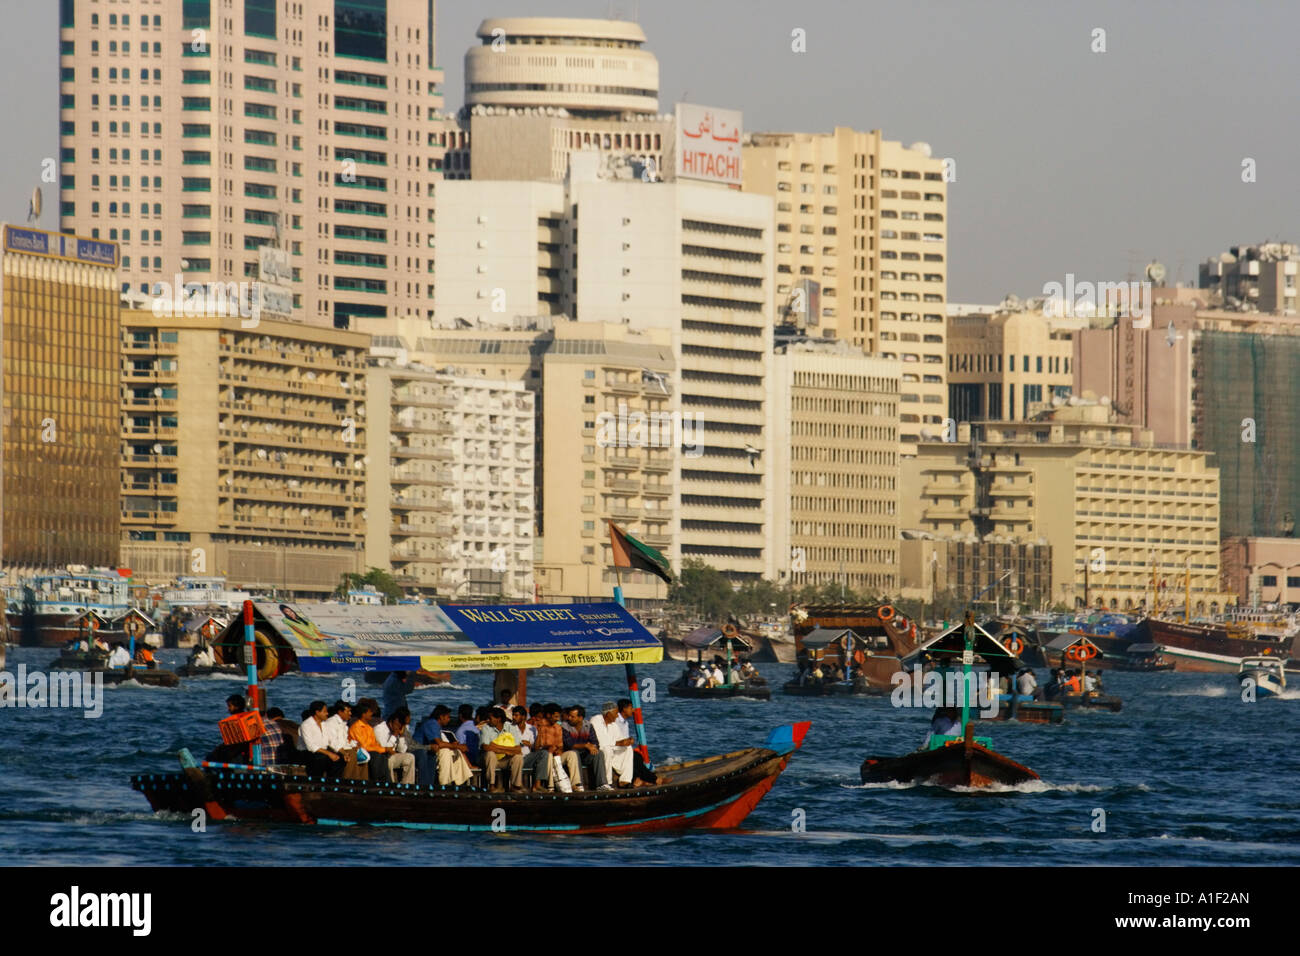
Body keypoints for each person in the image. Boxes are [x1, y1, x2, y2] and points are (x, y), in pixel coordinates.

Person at [413, 704, 473, 787]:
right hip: (417, 750)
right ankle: (441, 783)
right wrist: (458, 746)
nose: (449, 719)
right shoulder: (432, 724)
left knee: (453, 751)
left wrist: (456, 747)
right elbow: (439, 743)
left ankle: (459, 781)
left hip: (429, 750)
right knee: (445, 751)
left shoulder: (437, 726)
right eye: (448, 717)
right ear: (441, 717)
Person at [615, 699, 663, 786]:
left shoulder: (625, 723)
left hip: (624, 749)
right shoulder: (616, 721)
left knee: (638, 756)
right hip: (617, 750)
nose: (633, 710)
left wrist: (630, 740)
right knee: (636, 758)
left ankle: (640, 779)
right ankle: (654, 779)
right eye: (631, 708)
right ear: (624, 709)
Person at [590, 701, 634, 790]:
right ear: (609, 714)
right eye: (616, 713)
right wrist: (619, 743)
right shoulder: (596, 720)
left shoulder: (613, 725)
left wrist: (627, 741)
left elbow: (620, 739)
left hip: (611, 750)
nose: (617, 716)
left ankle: (625, 780)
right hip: (598, 751)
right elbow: (601, 742)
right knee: (606, 749)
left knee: (628, 749)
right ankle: (607, 783)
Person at [478, 707, 524, 793]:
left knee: (518, 757)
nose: (488, 720)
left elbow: (518, 749)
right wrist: (507, 751)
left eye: (490, 718)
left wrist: (498, 747)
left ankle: (516, 786)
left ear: (498, 719)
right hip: (489, 759)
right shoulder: (486, 728)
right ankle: (491, 785)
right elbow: (486, 747)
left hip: (504, 760)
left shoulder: (511, 727)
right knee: (490, 754)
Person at [298, 700, 345, 777]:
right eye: (325, 711)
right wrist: (329, 754)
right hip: (308, 753)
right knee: (321, 759)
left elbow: (332, 740)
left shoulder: (324, 724)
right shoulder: (306, 725)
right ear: (317, 712)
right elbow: (311, 746)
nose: (327, 713)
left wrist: (343, 752)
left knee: (341, 759)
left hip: (323, 751)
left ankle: (332, 782)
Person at [511, 705, 551, 792]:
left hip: (527, 758)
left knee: (544, 753)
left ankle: (537, 785)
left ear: (523, 717)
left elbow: (536, 748)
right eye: (513, 715)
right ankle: (517, 786)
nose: (514, 717)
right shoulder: (509, 727)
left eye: (516, 715)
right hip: (514, 758)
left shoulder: (531, 728)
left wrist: (539, 731)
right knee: (517, 758)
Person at [373, 707, 417, 785]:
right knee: (390, 760)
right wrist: (394, 735)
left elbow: (402, 750)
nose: (400, 727)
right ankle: (391, 785)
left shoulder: (400, 729)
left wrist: (401, 736)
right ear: (394, 721)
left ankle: (407, 784)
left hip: (393, 755)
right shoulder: (379, 729)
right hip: (382, 757)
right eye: (400, 724)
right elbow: (386, 749)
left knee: (410, 757)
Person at [561, 705, 599, 792]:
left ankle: (602, 784)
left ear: (580, 718)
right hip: (571, 756)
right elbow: (569, 744)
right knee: (574, 752)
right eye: (569, 716)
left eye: (572, 716)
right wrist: (585, 745)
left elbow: (595, 742)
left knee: (599, 753)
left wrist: (593, 747)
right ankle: (579, 784)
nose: (569, 718)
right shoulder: (564, 726)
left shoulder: (588, 725)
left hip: (585, 755)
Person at [324, 700, 365, 780]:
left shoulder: (344, 724)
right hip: (334, 749)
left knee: (362, 755)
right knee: (352, 754)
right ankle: (348, 780)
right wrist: (343, 752)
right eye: (348, 711)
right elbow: (333, 742)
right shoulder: (331, 722)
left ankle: (362, 781)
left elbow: (346, 740)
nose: (350, 713)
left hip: (344, 747)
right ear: (340, 712)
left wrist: (355, 745)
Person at [533, 704, 566, 791]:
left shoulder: (558, 727)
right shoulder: (537, 726)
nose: (557, 719)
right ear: (548, 715)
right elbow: (537, 747)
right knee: (548, 755)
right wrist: (548, 748)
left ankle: (577, 784)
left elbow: (560, 745)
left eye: (558, 717)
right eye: (555, 716)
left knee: (573, 755)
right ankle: (550, 786)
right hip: (543, 755)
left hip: (556, 754)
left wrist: (559, 749)